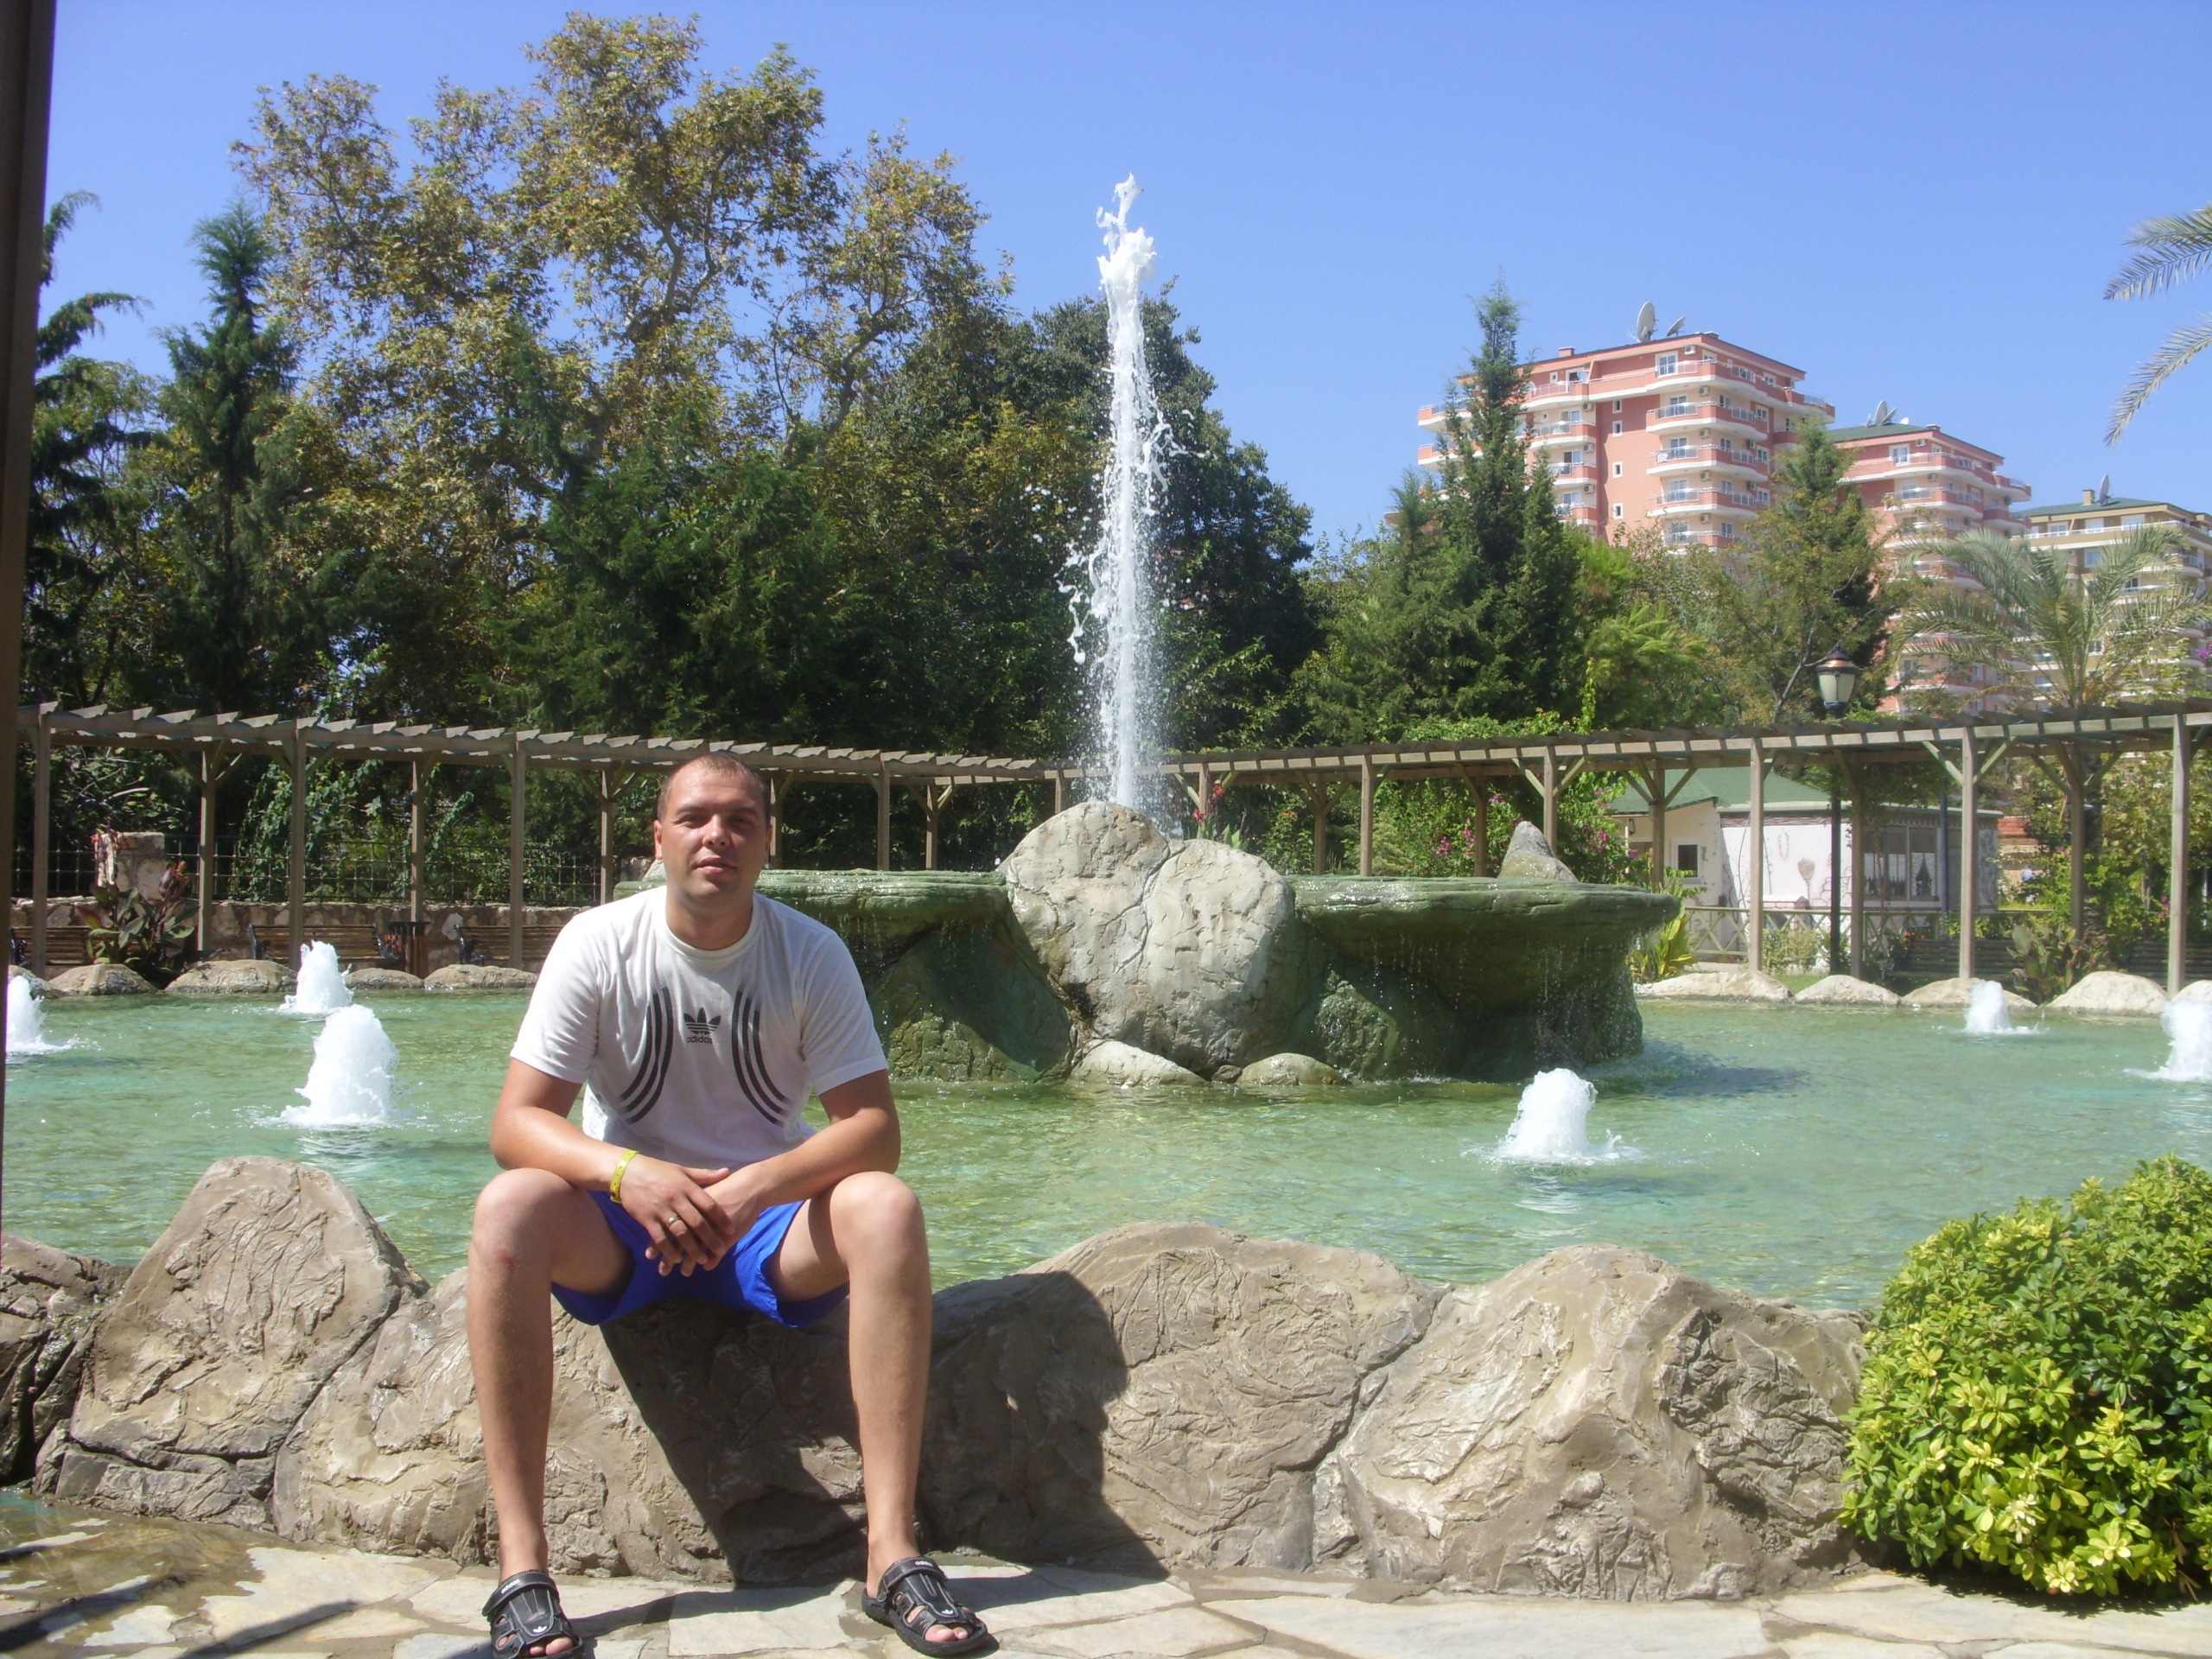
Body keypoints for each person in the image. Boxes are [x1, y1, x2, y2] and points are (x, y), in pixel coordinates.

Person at [467, 753, 992, 1659]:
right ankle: (523, 1570)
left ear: (766, 841)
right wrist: (629, 1174)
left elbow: (874, 1130)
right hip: (625, 1229)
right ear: (658, 839)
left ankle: (891, 1554)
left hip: (765, 1231)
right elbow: (517, 1124)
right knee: (509, 1206)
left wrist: (754, 1188)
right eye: (697, 818)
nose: (719, 836)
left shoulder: (809, 952)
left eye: (741, 820)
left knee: (886, 1208)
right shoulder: (597, 943)